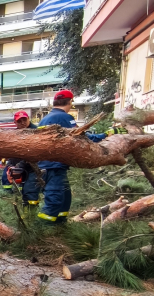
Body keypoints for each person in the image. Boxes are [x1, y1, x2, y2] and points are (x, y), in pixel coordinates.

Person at [36, 91, 117, 223]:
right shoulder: (64, 118)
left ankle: (60, 223)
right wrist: (105, 135)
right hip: (54, 166)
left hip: (49, 165)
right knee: (55, 199)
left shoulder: (46, 119)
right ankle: (44, 228)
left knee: (65, 198)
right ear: (70, 102)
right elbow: (81, 137)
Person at [1, 111, 40, 207]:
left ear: (28, 119)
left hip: (32, 167)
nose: (22, 123)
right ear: (15, 122)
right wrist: (9, 161)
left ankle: (31, 212)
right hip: (19, 166)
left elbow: (33, 152)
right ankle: (24, 209)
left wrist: (19, 165)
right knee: (23, 190)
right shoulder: (15, 133)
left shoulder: (35, 131)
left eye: (24, 120)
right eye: (19, 121)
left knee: (30, 190)